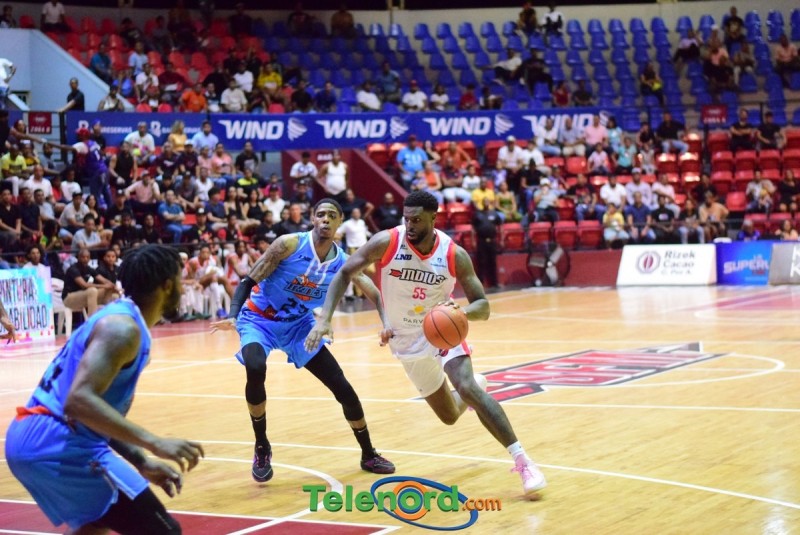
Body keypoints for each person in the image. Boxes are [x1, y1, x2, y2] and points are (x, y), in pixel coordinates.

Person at [305, 191, 547, 498]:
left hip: (441, 330)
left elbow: (483, 306)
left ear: (434, 217)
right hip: (406, 341)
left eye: (417, 220)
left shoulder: (453, 254)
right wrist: (325, 318)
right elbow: (344, 273)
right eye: (406, 218)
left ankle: (523, 462)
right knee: (449, 416)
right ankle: (476, 386)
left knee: (466, 386)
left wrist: (459, 312)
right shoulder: (387, 242)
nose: (410, 225)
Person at [5, 245, 204, 533]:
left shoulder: (123, 321)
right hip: (57, 441)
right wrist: (155, 443)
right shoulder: (122, 330)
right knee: (164, 531)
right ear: (167, 285)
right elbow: (78, 401)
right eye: (180, 280)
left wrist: (140, 460)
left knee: (95, 527)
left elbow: (96, 412)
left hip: (45, 436)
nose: (183, 289)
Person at [209, 198, 395, 482]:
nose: (325, 219)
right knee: (255, 366)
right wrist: (233, 315)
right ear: (312, 218)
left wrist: (386, 322)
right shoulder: (289, 245)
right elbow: (248, 280)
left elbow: (373, 290)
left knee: (343, 388)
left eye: (331, 215)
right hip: (259, 320)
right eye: (320, 214)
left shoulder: (342, 262)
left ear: (339, 222)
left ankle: (368, 453)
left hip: (299, 327)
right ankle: (262, 445)